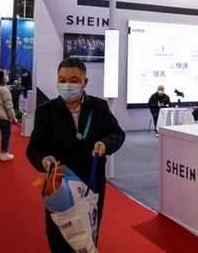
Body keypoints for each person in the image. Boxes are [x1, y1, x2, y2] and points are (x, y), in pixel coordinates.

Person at [26, 57, 125, 252]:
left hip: (91, 182)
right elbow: (34, 149)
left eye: (73, 80)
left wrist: (105, 144)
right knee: (60, 234)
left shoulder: (99, 107)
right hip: (59, 184)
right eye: (62, 80)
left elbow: (117, 134)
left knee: (88, 233)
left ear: (84, 82)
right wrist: (43, 160)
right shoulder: (46, 111)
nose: (67, 85)